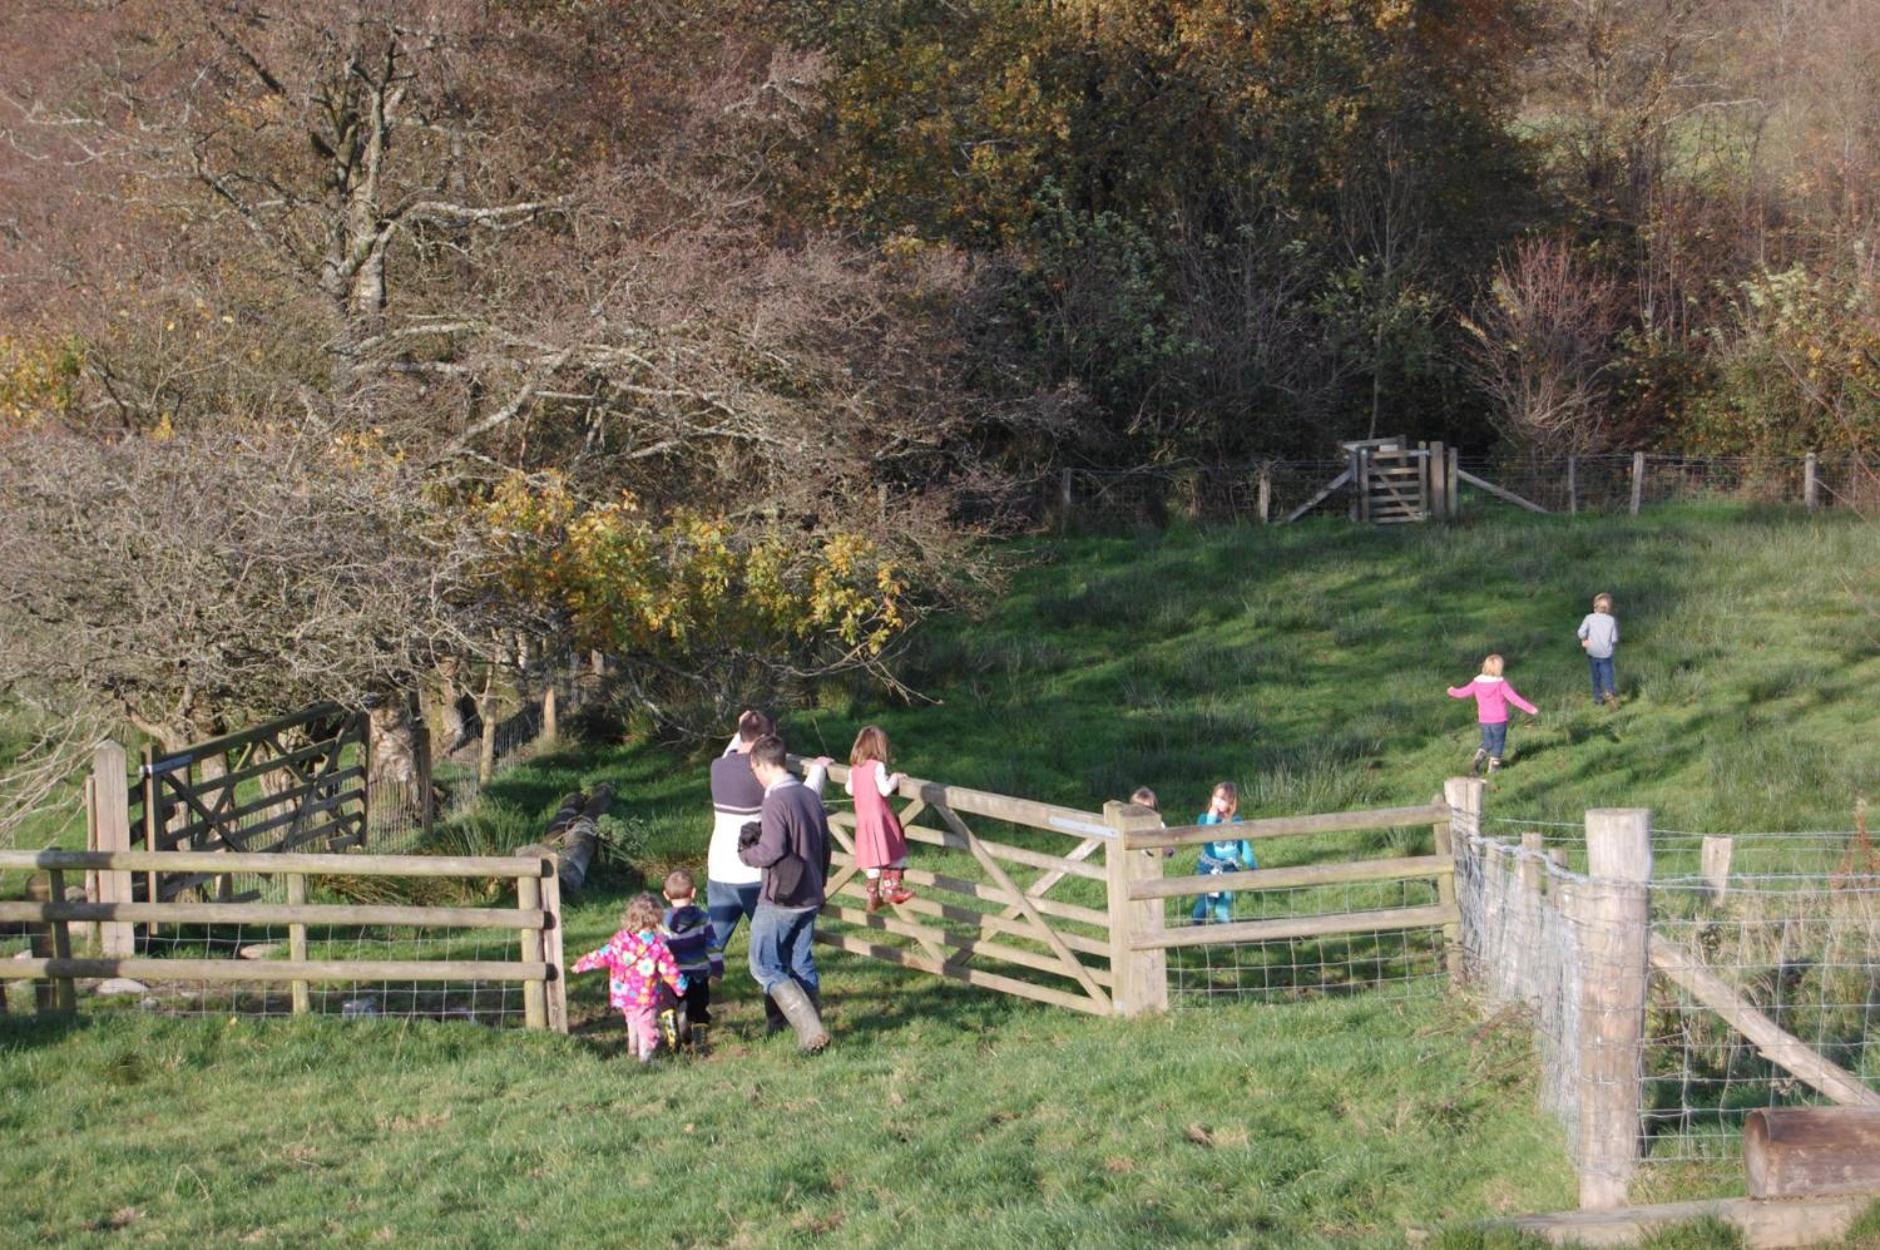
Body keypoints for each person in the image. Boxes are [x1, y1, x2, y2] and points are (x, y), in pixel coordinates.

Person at [706, 709, 828, 1026]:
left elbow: (737, 747)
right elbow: (800, 797)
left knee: (708, 946)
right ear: (765, 745)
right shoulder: (762, 779)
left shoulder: (718, 768)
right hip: (756, 877)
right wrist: (817, 772)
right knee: (776, 955)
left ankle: (690, 1008)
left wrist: (743, 728)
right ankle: (781, 1020)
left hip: (719, 872)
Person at [739, 734, 834, 1052]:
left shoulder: (775, 800)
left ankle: (810, 1032)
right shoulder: (809, 795)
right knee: (800, 961)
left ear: (760, 764)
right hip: (810, 892)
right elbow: (825, 843)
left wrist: (746, 854)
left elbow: (772, 850)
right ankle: (813, 1028)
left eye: (754, 769)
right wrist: (820, 884)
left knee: (763, 965)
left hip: (781, 896)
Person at [572, 892, 687, 1064]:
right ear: (656, 920)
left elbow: (602, 955)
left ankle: (632, 1047)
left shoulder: (620, 940)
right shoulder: (657, 947)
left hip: (623, 994)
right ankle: (646, 1059)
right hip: (645, 996)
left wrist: (582, 964)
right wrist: (681, 987)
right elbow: (670, 970)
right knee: (647, 1025)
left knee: (632, 1019)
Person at [846, 725, 912, 913]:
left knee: (872, 857)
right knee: (897, 850)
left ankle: (873, 893)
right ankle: (893, 889)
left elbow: (849, 790)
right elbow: (885, 789)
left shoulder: (854, 769)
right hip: (880, 818)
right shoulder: (878, 766)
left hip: (863, 820)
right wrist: (896, 778)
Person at [1447, 653, 1539, 775]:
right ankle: (1494, 768)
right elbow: (1514, 699)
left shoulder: (1477, 682)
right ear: (1499, 668)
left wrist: (1452, 691)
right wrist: (1531, 709)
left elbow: (1463, 692)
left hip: (1484, 719)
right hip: (1499, 719)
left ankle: (1478, 759)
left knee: (1487, 741)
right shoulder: (1500, 683)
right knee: (1498, 743)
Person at [660, 869, 716, 1055]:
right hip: (698, 973)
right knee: (699, 1007)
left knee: (667, 1004)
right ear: (693, 892)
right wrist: (717, 968)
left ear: (666, 895)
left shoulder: (662, 921)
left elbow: (657, 947)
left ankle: (672, 1036)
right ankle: (700, 1043)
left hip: (671, 975)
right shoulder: (704, 918)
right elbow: (713, 946)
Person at [1191, 781, 1254, 924]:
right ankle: (1194, 928)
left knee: (1223, 906)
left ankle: (1225, 935)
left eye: (1223, 799)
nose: (1218, 802)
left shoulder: (1236, 821)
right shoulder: (1204, 818)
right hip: (1209, 867)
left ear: (1231, 804)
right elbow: (1205, 836)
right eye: (1216, 797)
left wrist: (1252, 864)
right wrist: (1211, 818)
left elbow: (1242, 844)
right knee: (1207, 903)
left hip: (1229, 867)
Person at [1577, 593, 1621, 709]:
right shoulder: (1611, 620)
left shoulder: (1589, 618)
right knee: (1608, 674)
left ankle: (1598, 699)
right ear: (1609, 608)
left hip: (1592, 652)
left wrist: (1585, 640)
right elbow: (1614, 638)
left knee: (1595, 676)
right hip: (1606, 653)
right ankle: (1610, 691)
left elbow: (1580, 632)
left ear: (1594, 606)